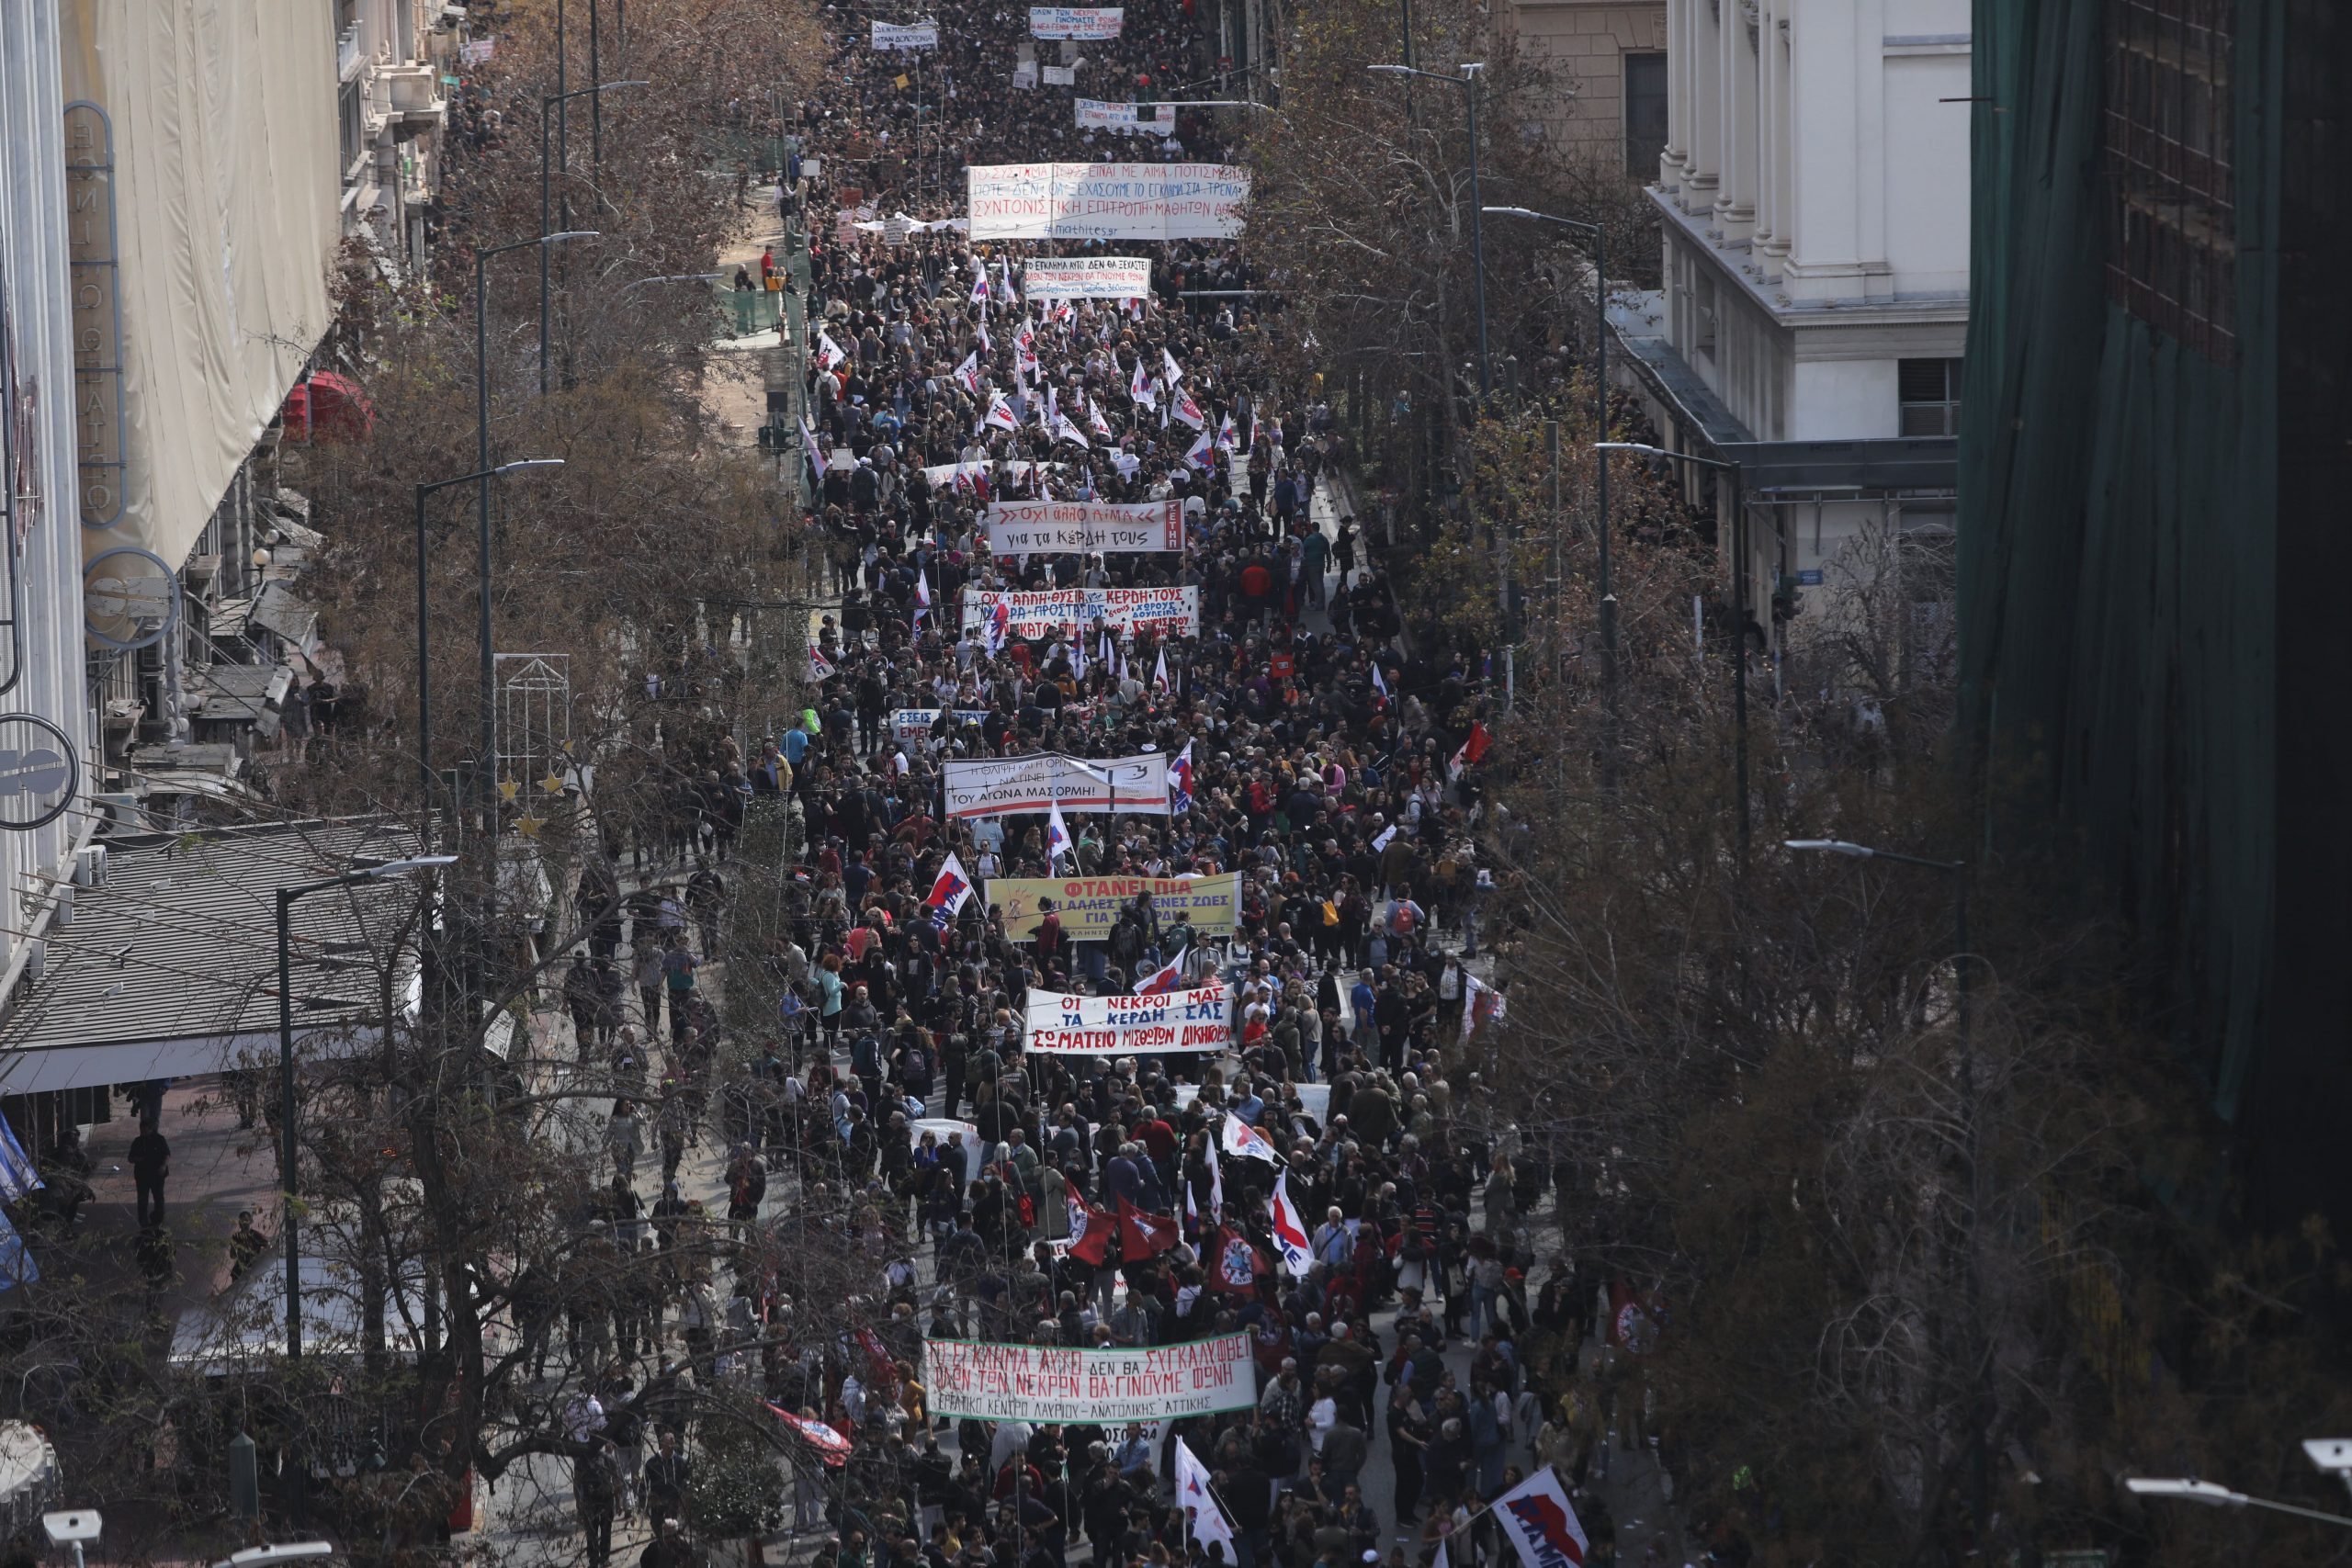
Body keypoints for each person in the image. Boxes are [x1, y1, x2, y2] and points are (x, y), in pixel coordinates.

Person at [129, 1122, 170, 1226]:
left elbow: (167, 1154)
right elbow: (131, 1158)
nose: (143, 1132)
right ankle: (143, 1222)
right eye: (141, 1130)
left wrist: (163, 1166)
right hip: (143, 1175)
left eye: (145, 1130)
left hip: (157, 1174)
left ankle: (158, 1220)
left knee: (158, 1198)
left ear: (150, 1129)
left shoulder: (159, 1139)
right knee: (142, 1199)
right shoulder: (138, 1141)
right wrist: (140, 1159)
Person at [229, 1210, 268, 1279]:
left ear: (250, 1222)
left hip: (253, 1267)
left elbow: (267, 1246)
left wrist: (259, 1256)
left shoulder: (255, 1235)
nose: (244, 1223)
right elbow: (233, 1256)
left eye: (246, 1220)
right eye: (242, 1220)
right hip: (240, 1269)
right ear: (239, 1223)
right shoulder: (236, 1236)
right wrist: (232, 1246)